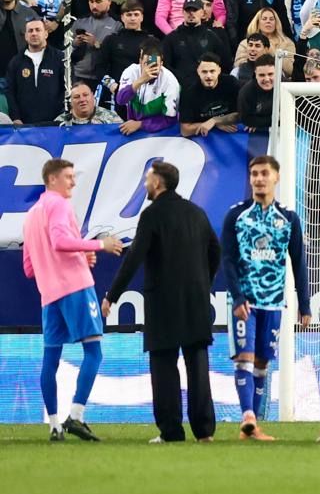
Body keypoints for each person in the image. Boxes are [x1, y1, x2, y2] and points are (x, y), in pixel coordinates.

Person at [104, 161, 219, 443]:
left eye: (148, 178)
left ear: (158, 183)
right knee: (198, 365)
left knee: (164, 367)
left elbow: (134, 258)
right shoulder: (197, 213)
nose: (145, 183)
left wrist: (112, 295)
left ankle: (171, 431)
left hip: (163, 302)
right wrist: (203, 283)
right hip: (195, 300)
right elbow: (215, 251)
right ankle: (204, 431)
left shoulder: (151, 215)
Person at [22, 158, 123, 442]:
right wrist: (99, 245)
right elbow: (59, 242)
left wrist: (78, 254)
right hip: (75, 287)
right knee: (94, 352)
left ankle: (54, 425)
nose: (73, 182)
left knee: (50, 359)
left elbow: (29, 268)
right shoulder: (59, 204)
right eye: (68, 176)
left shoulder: (31, 215)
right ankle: (76, 416)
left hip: (49, 295)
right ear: (52, 179)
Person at [220, 155, 310, 441]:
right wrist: (237, 297)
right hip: (244, 302)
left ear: (276, 177)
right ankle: (248, 415)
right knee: (244, 359)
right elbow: (227, 259)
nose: (259, 179)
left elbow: (298, 261)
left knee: (262, 364)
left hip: (273, 302)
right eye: (254, 174)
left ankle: (253, 427)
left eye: (264, 173)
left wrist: (305, 305)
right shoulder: (236, 215)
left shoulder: (288, 218)